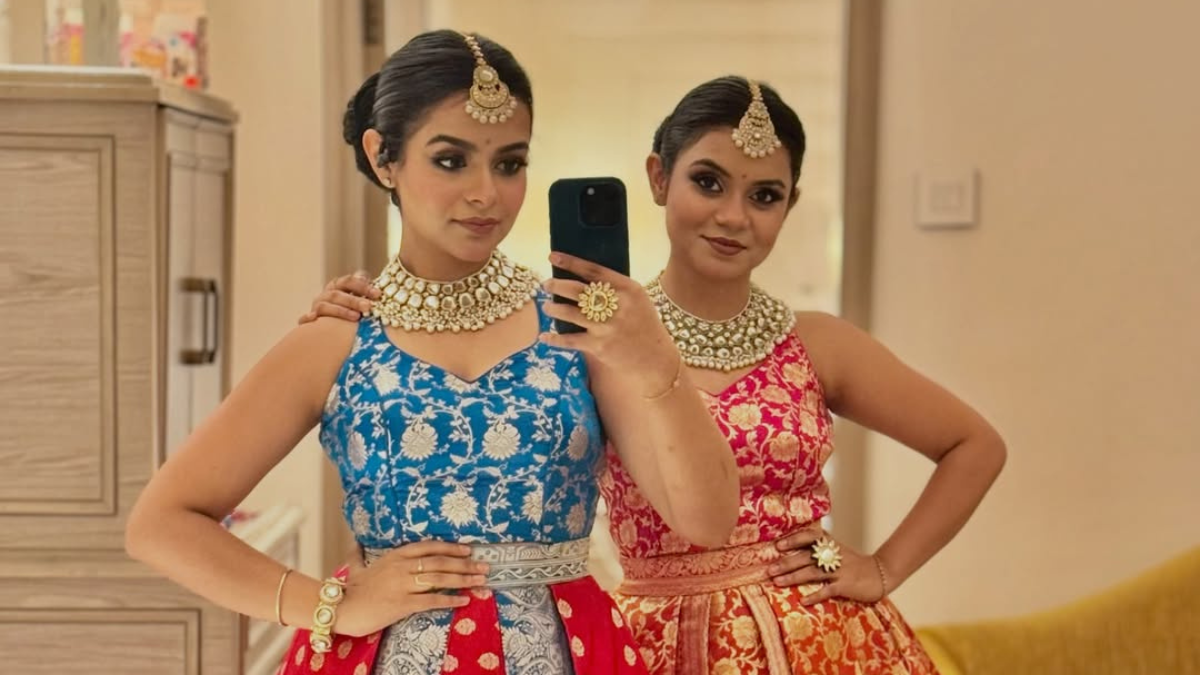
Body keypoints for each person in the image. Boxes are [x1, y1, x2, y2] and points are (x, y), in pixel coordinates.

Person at [312, 74, 1006, 674]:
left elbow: (974, 445)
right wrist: (372, 309)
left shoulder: (817, 342)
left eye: (765, 195)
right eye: (708, 181)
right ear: (657, 177)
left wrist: (882, 568)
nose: (733, 215)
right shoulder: (591, 333)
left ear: (789, 207)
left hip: (821, 639)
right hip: (651, 642)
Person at [125, 30, 741, 675]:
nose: (487, 193)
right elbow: (162, 523)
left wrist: (657, 365)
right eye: (452, 160)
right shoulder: (340, 334)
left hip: (567, 652)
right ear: (384, 158)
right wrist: (328, 604)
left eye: (509, 163)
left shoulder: (576, 328)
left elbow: (706, 522)